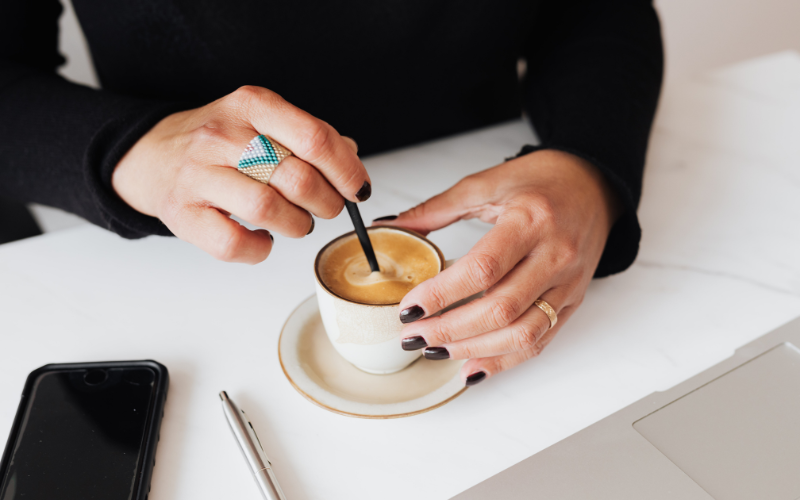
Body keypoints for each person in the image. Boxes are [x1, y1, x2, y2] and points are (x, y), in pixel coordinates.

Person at [0, 0, 662, 385]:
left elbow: (596, 10)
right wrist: (126, 148)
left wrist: (586, 164)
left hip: (487, 196)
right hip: (196, 257)